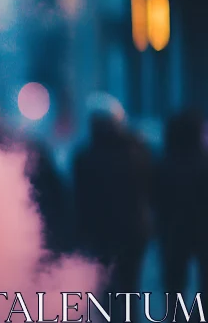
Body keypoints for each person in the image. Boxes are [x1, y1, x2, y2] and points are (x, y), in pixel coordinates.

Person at [72, 112, 153, 321]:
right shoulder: (135, 152)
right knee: (130, 286)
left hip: (100, 233)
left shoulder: (85, 156)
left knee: (106, 287)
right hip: (133, 231)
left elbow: (80, 200)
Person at [155, 110, 208, 321]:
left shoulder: (164, 164)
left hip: (173, 232)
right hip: (203, 230)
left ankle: (176, 316)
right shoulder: (203, 163)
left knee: (174, 283)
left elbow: (156, 199)